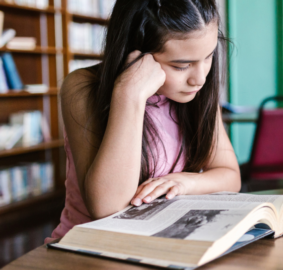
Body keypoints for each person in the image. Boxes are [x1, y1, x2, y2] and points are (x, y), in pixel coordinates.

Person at [47, 0, 240, 241]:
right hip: (90, 246)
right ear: (136, 52)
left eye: (208, 57)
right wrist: (129, 93)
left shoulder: (196, 95)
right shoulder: (83, 88)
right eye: (181, 65)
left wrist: (185, 184)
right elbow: (107, 207)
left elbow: (230, 176)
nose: (199, 79)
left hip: (162, 242)